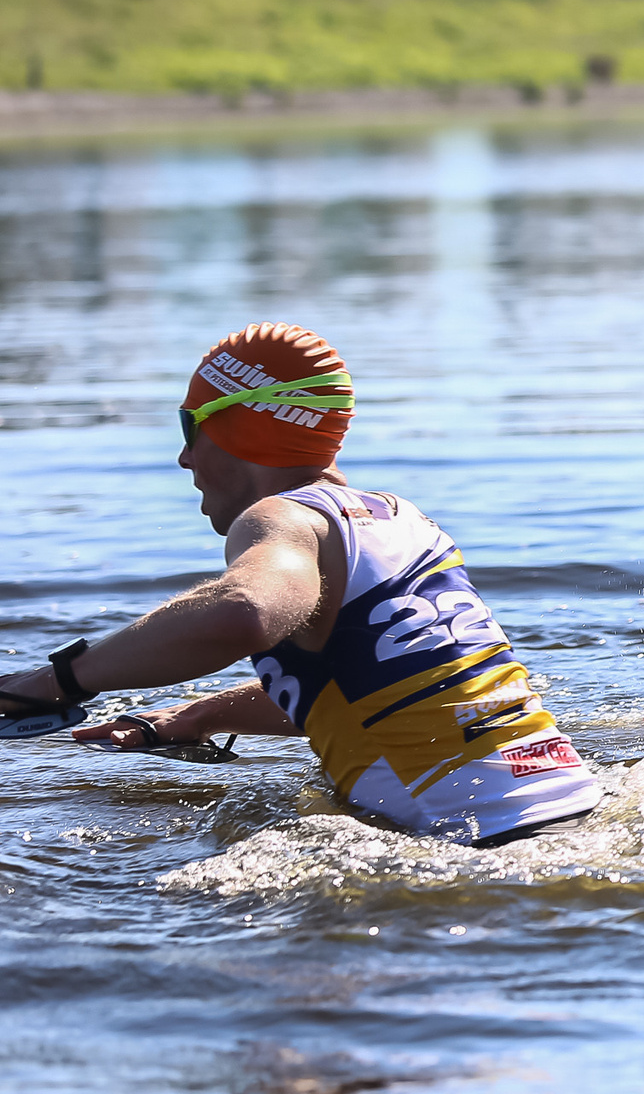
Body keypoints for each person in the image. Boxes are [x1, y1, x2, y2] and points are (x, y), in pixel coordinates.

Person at [0, 324, 600, 845]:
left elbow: (241, 613)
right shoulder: (399, 519)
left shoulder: (282, 518)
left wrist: (53, 682)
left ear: (237, 427)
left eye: (190, 427)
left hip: (478, 837)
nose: (184, 459)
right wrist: (201, 714)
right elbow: (379, 687)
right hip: (574, 802)